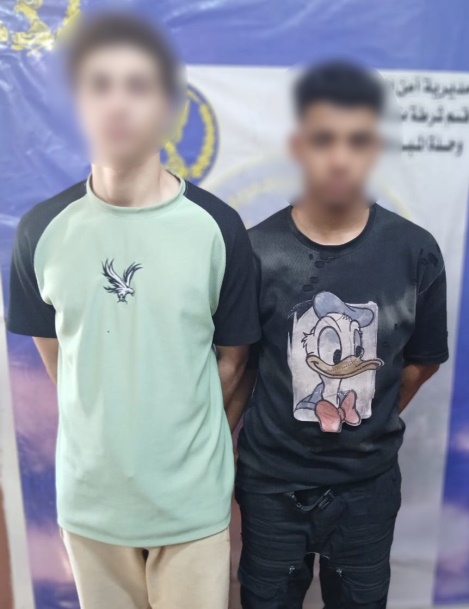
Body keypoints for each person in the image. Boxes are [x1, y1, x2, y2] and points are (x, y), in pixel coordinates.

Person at [7, 12, 260, 609]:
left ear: (167, 109)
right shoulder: (41, 232)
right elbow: (61, 362)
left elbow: (234, 365)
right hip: (92, 507)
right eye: (100, 86)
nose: (117, 104)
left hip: (191, 508)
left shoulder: (218, 229)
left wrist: (184, 456)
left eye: (138, 86)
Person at [230, 61, 448, 609]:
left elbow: (422, 360)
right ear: (299, 147)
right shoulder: (255, 252)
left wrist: (365, 411)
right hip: (271, 484)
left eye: (357, 140)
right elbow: (242, 365)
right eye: (324, 139)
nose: (340, 156)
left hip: (367, 488)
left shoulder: (415, 252)